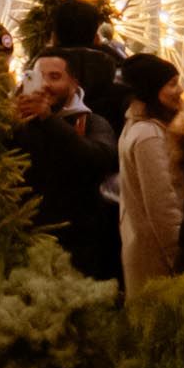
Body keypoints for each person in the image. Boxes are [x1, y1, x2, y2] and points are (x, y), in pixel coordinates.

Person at [11, 56, 121, 284]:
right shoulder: (19, 123)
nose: (47, 85)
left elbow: (99, 159)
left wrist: (49, 120)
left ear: (73, 83)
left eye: (55, 77)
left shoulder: (91, 122)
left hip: (81, 246)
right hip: (28, 244)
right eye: (41, 78)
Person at [112, 56, 184, 294]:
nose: (180, 90)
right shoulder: (149, 135)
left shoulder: (137, 126)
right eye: (172, 84)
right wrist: (180, 259)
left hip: (146, 252)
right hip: (159, 262)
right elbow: (162, 206)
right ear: (152, 89)